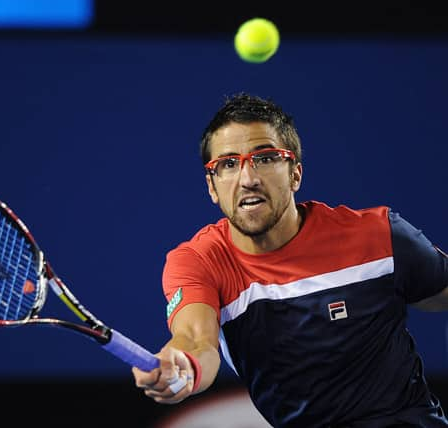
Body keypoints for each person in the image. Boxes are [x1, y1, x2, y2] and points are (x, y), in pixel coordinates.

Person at [132, 92, 448, 427]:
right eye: (227, 164)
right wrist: (183, 364)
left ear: (295, 173)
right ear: (212, 187)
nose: (248, 178)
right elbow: (196, 341)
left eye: (265, 158)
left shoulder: (379, 236)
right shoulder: (200, 261)